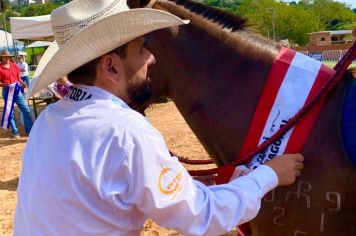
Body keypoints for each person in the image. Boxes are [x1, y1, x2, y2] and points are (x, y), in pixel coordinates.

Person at [14, 0, 304, 235]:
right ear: (111, 67)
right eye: (141, 49)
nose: (151, 59)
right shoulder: (124, 130)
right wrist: (269, 175)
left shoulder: (50, 117)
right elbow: (201, 215)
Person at [0, 49, 33, 138]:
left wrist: (23, 83)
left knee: (26, 110)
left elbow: (18, 78)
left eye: (8, 56)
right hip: (7, 91)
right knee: (9, 113)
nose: (7, 58)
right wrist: (3, 84)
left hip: (17, 90)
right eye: (5, 56)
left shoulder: (14, 65)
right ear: (2, 57)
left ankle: (29, 130)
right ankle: (15, 132)